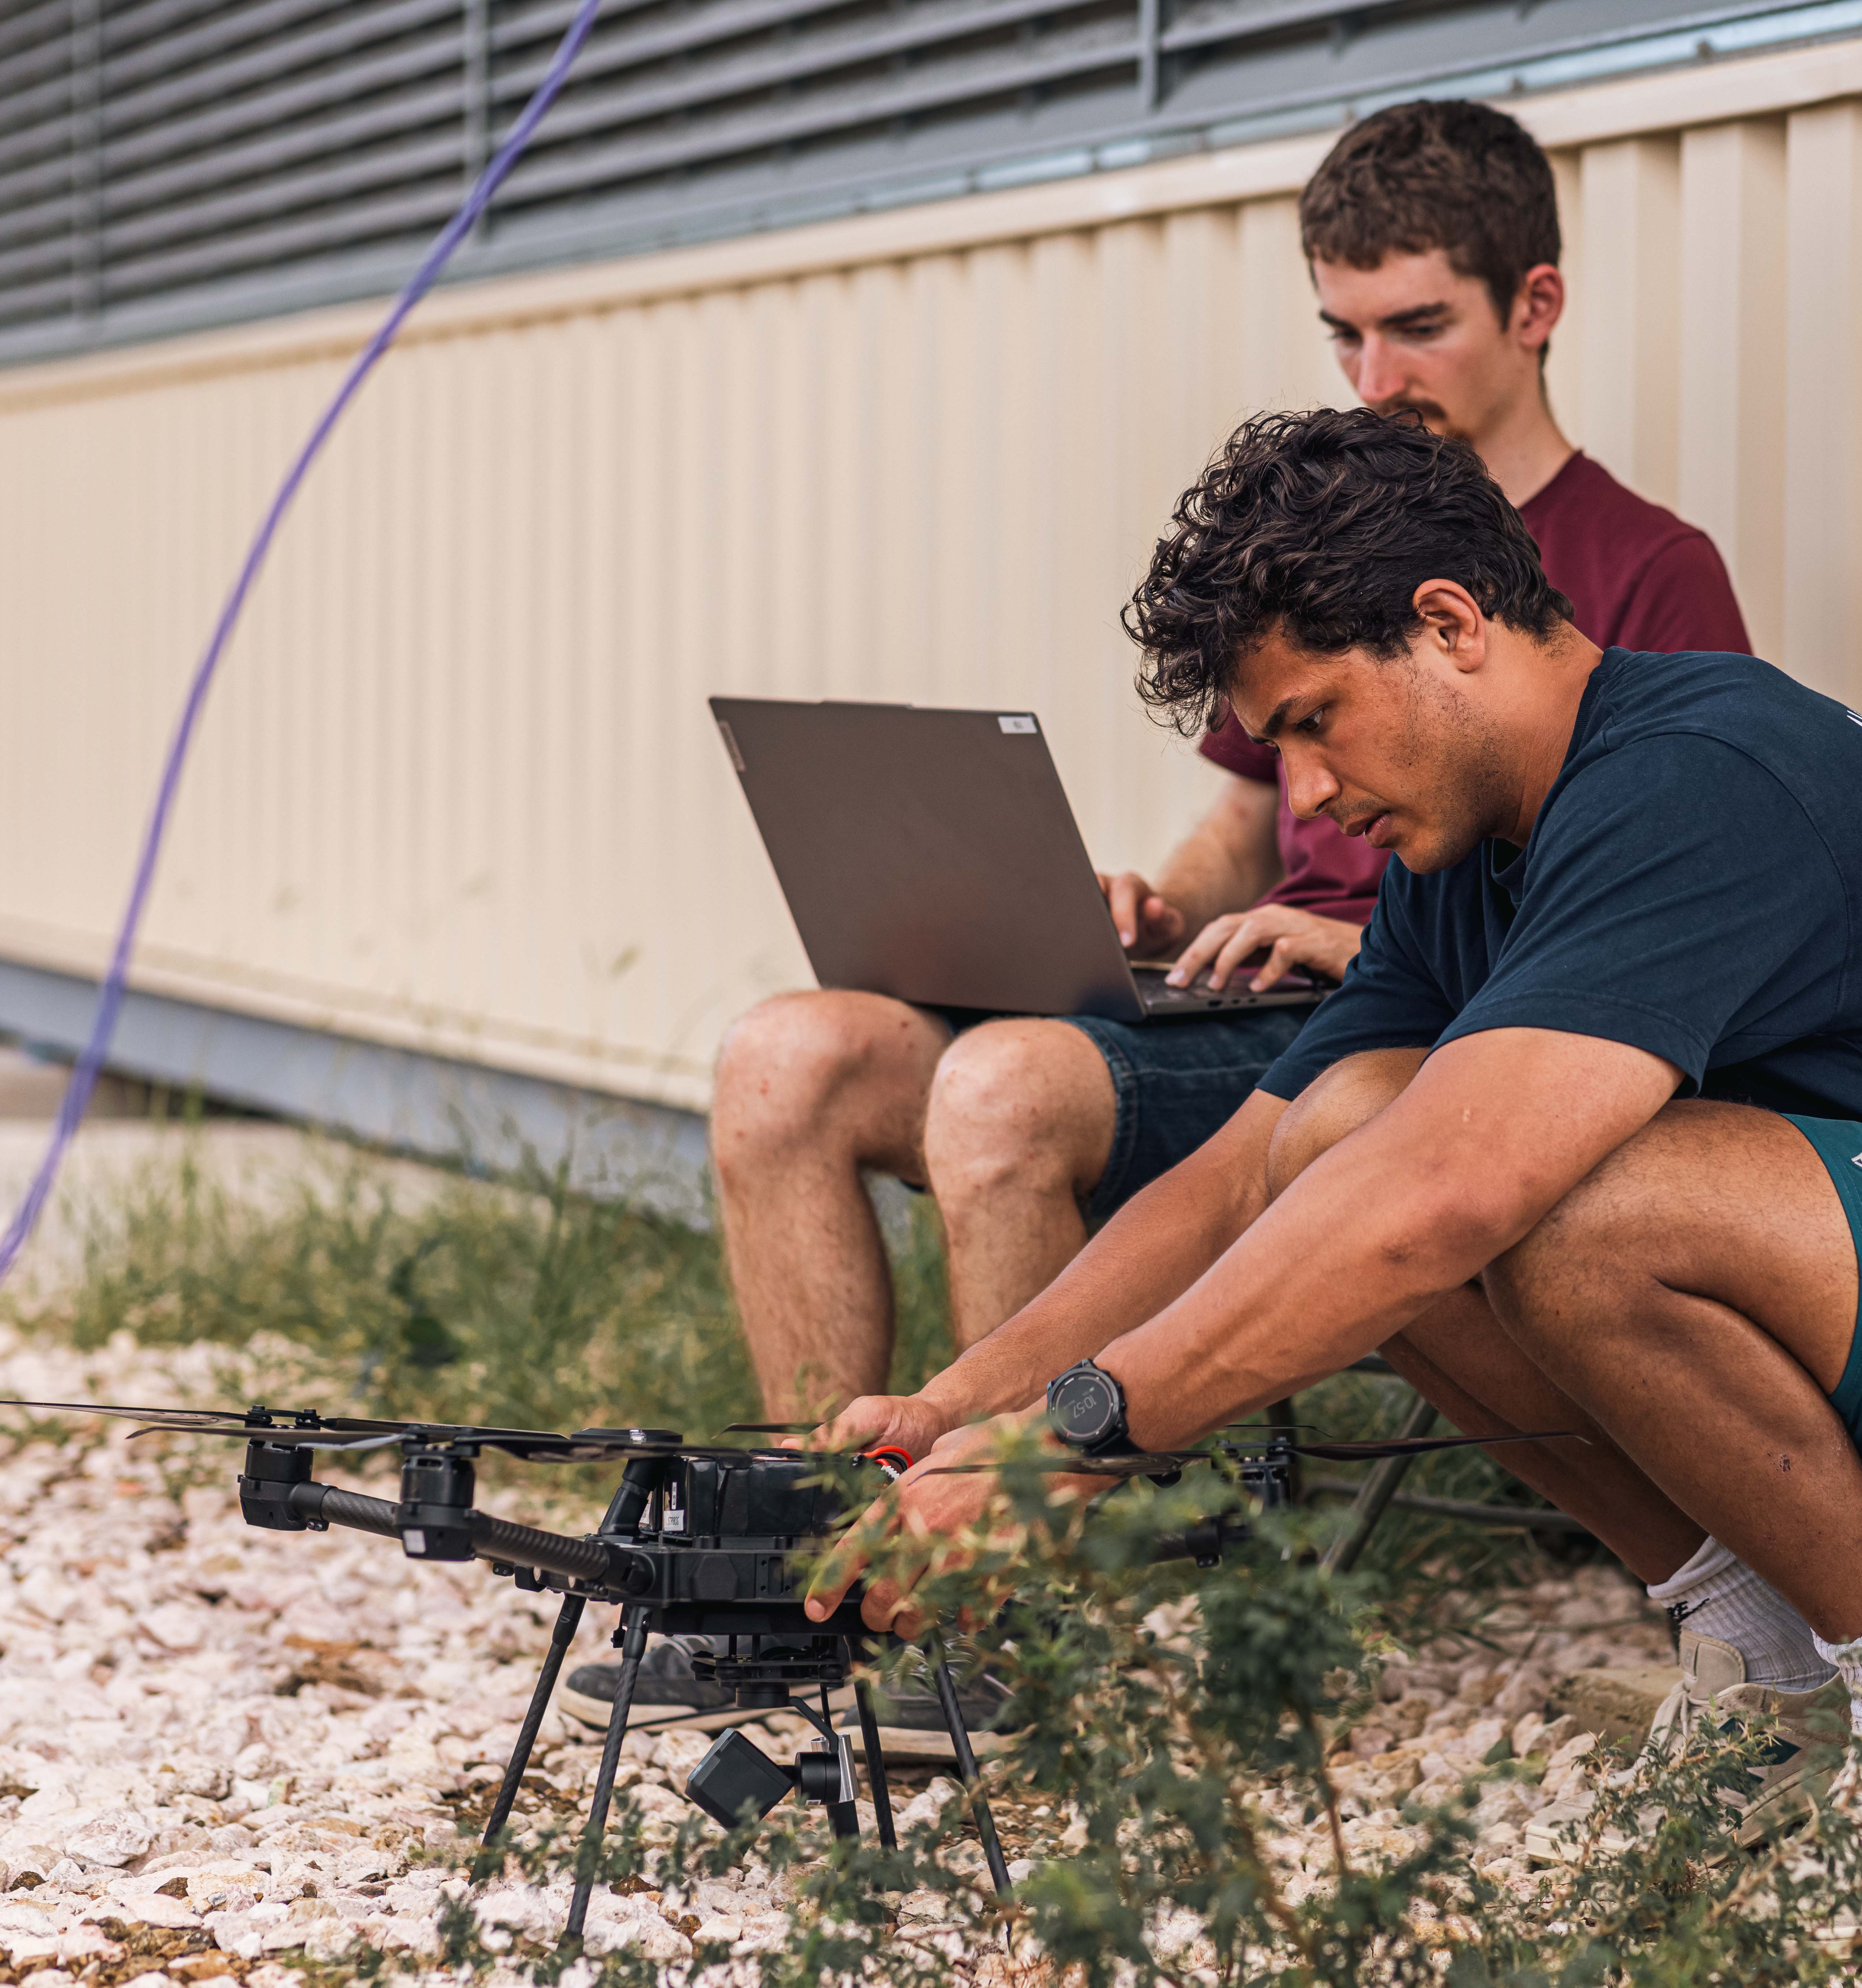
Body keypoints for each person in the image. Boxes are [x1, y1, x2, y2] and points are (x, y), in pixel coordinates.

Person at [804, 409, 1862, 1942]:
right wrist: (964, 1411)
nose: (1300, 798)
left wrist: (1067, 1453)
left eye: (1312, 720)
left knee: (1528, 1201)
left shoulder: (1694, 775)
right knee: (1337, 1147)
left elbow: (1448, 1197)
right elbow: (1246, 1176)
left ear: (1446, 626)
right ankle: (1765, 1659)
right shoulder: (1462, 858)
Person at [568, 98, 1748, 1740]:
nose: (1375, 377)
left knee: (996, 1088)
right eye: (1341, 334)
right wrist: (1154, 899)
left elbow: (1649, 876)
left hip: (1387, 1022)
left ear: (1530, 309)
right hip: (1228, 985)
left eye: (1417, 327)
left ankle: (989, 1614)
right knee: (789, 1055)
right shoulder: (1331, 526)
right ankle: (812, 1562)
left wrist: (1350, 937)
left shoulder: (1642, 568)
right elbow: (1247, 817)